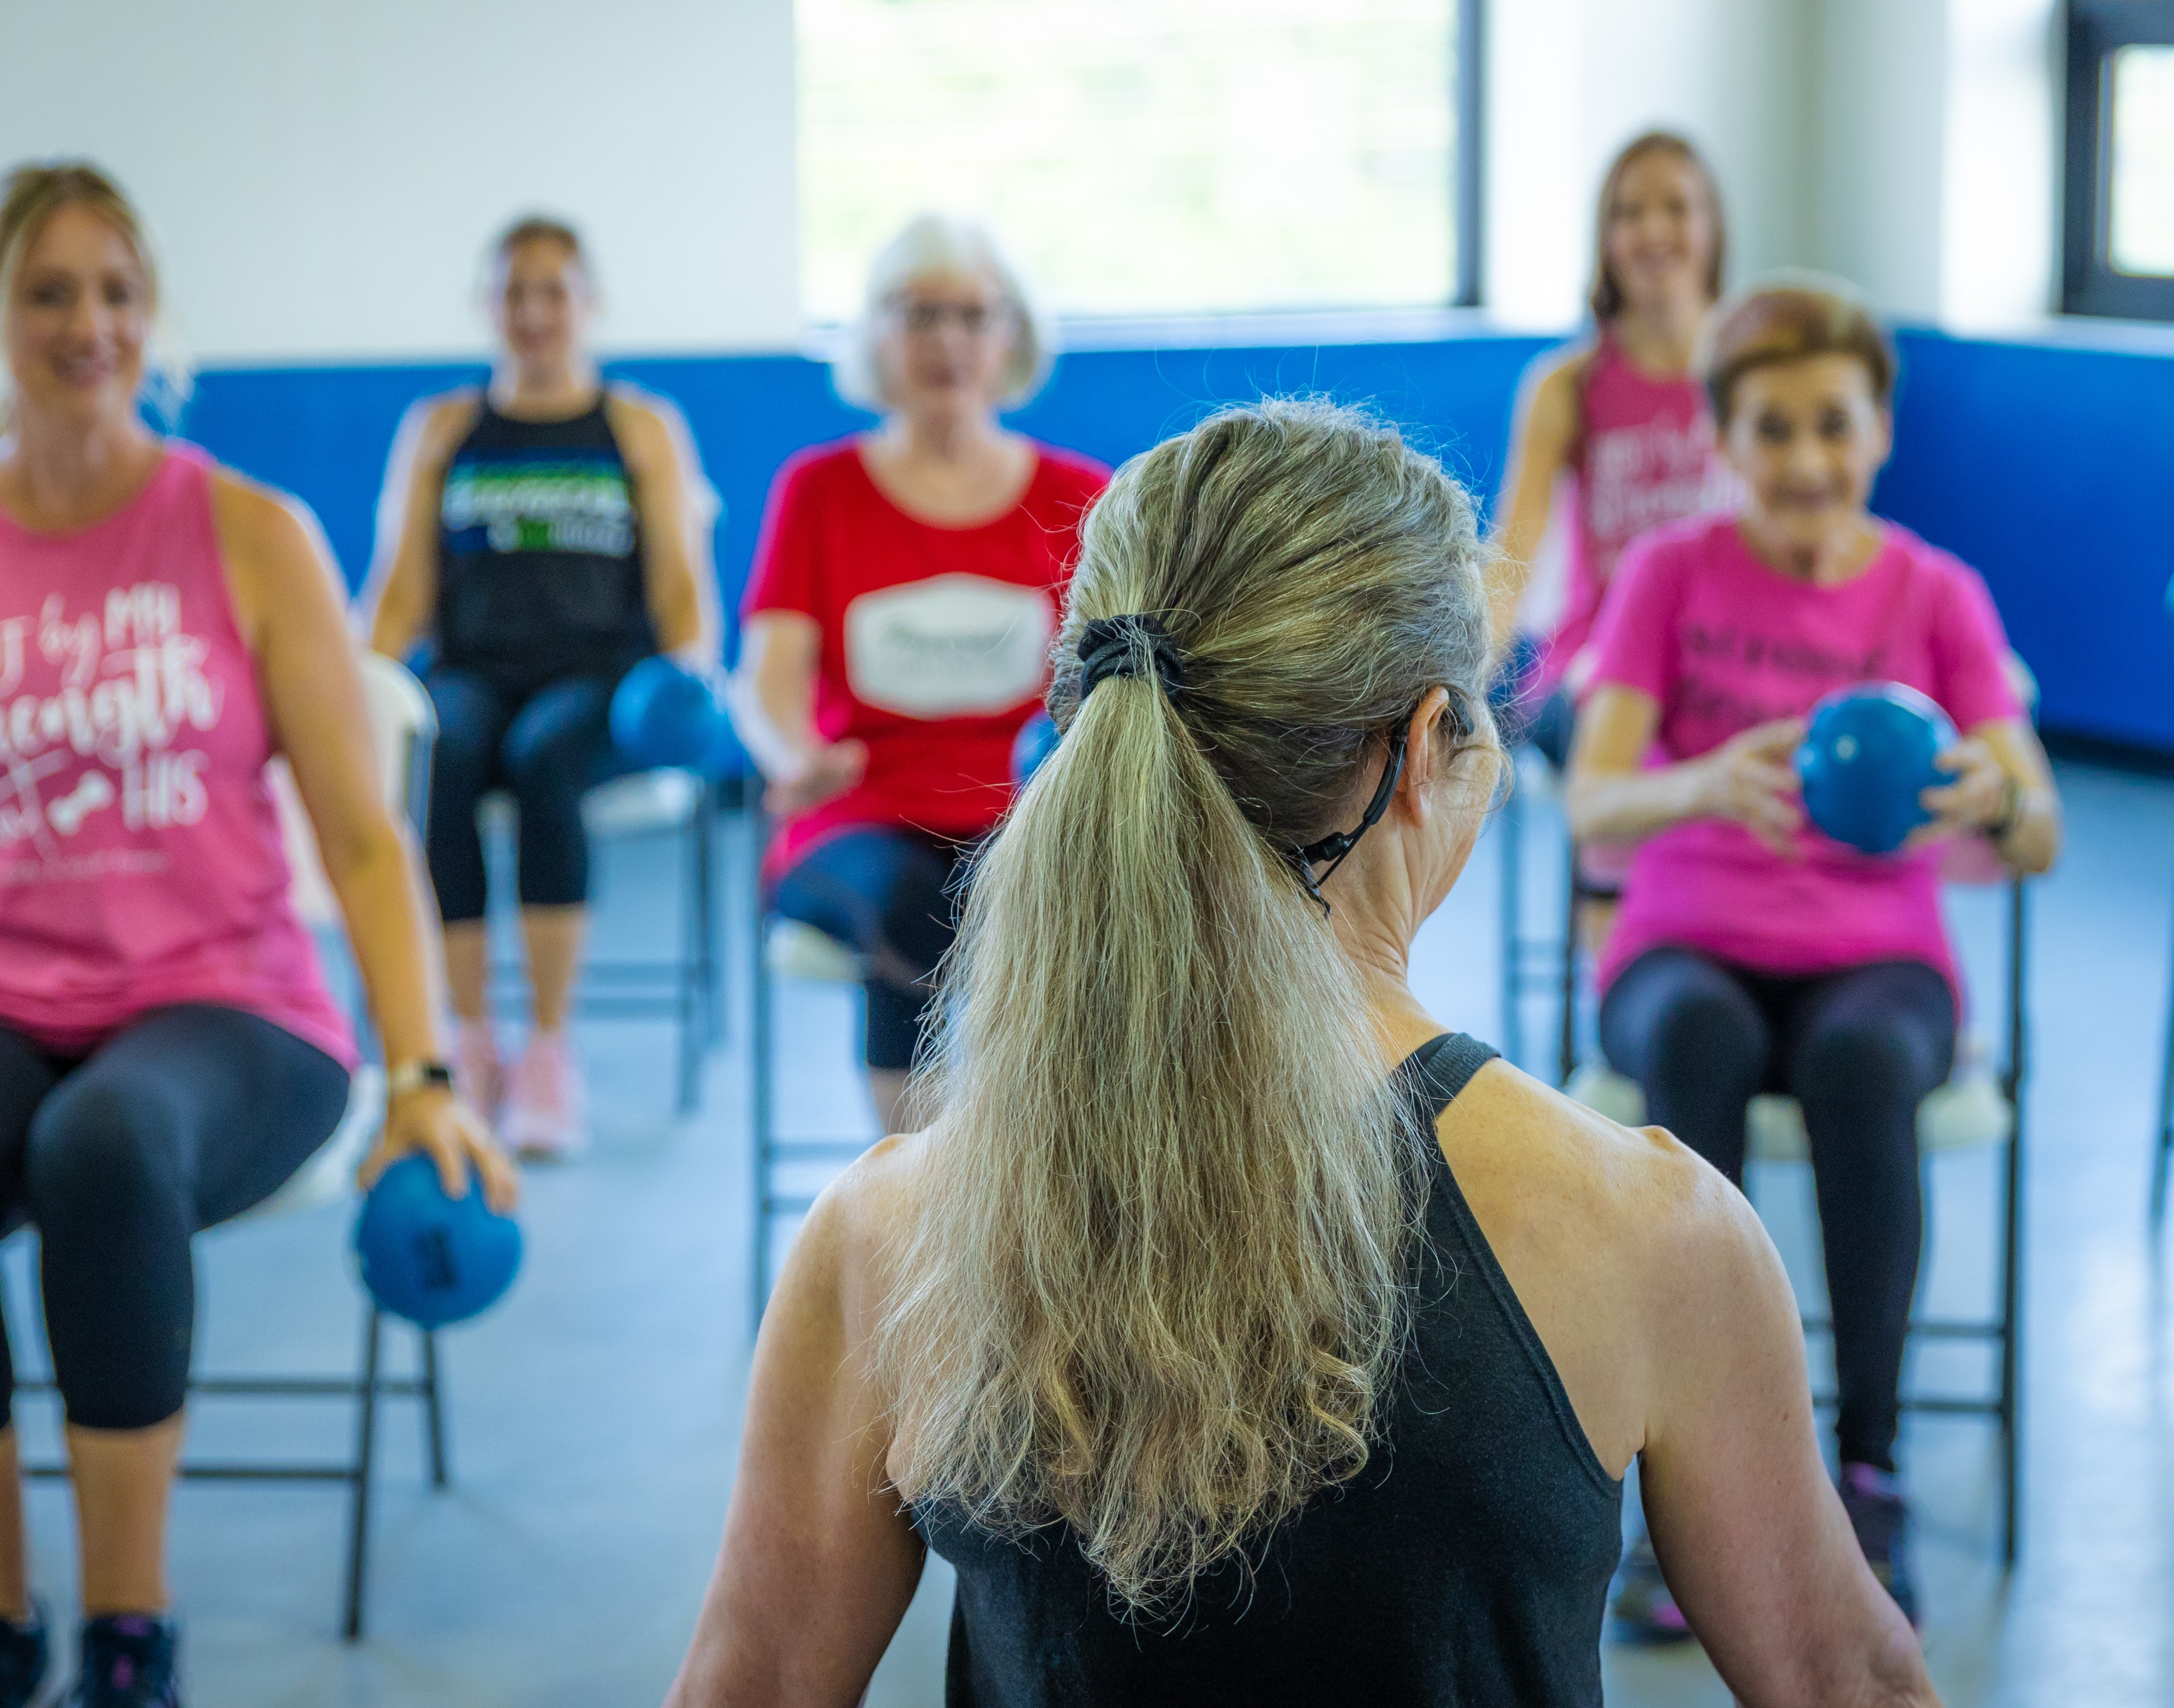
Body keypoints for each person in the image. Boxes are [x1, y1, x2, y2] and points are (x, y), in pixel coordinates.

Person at [666, 399, 1938, 1707]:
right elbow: (1847, 1679)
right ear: (1414, 749)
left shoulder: (887, 1236)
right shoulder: (1649, 1236)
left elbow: (749, 1681)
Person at [0, 161, 516, 1708]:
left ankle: (130, 1628)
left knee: (103, 1145)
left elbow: (367, 835)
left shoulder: (249, 533)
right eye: (49, 291)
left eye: (117, 290)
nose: (89, 323)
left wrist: (424, 1071)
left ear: (151, 313)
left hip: (229, 998)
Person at [1566, 279, 2062, 1636]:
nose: (1803, 460)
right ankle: (1689, 1489)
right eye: (1770, 429)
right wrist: (1703, 783)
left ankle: (1867, 1469)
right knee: (1699, 1046)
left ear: (1880, 431)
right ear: (1724, 440)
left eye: (1831, 426)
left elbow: (2041, 831)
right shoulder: (1668, 574)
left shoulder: (1937, 594)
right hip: (1686, 946)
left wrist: (1990, 798)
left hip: (1876, 961)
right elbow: (1591, 799)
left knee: (1857, 1064)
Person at [733, 215, 1107, 1134]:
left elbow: (1114, 680)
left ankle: (1049, 1168)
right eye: (920, 314)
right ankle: (928, 1191)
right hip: (851, 817)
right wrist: (793, 753)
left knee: (1086, 896)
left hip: (1025, 811)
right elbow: (768, 676)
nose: (948, 340)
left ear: (1010, 336)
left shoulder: (1079, 495)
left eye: (974, 315)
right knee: (918, 903)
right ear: (877, 337)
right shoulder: (817, 491)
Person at [367, 215, 719, 1157]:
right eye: (512, 291)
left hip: (596, 680)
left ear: (588, 303)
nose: (532, 311)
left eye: (552, 290)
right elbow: (399, 590)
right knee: (446, 750)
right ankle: (471, 1041)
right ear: (487, 307)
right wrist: (359, 688)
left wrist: (688, 667)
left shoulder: (637, 426)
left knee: (541, 758)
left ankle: (550, 1050)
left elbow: (680, 583)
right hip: (474, 670)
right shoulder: (443, 428)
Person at [1491, 131, 1742, 763]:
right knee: (1632, 736)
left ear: (1711, 228)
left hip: (1726, 656)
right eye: (1628, 212)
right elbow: (1512, 557)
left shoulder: (1751, 373)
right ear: (1605, 238)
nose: (1653, 229)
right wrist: (1458, 688)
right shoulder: (1565, 386)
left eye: (1676, 207)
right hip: (1593, 666)